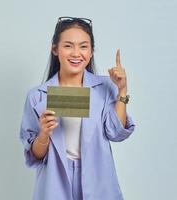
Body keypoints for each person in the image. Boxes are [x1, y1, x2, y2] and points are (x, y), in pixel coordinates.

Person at [19, 16, 135, 200]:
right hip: (54, 181)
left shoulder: (105, 87)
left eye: (83, 46)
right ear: (55, 49)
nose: (76, 53)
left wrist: (122, 89)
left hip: (98, 178)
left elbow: (116, 133)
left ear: (91, 52)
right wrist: (44, 134)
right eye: (68, 45)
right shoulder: (37, 95)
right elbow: (35, 156)